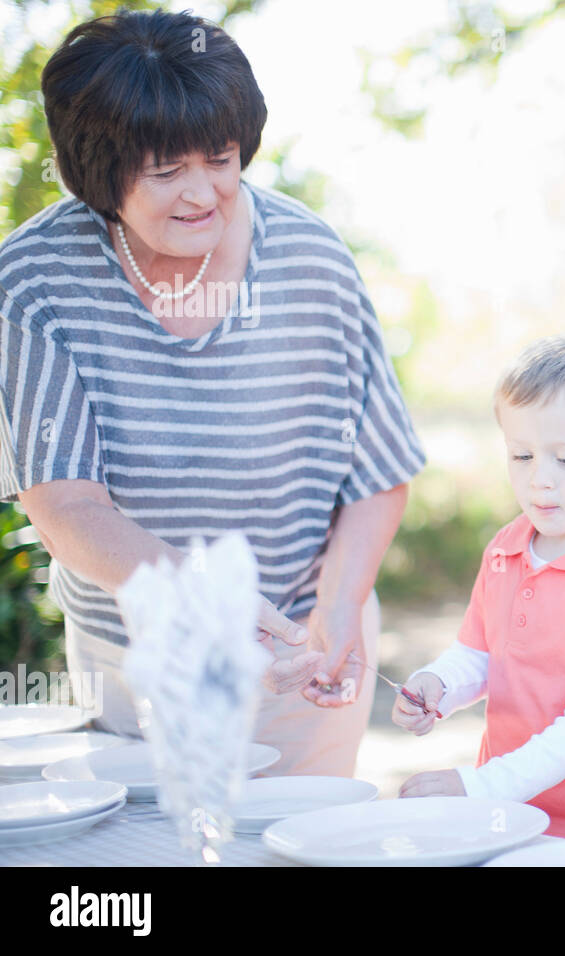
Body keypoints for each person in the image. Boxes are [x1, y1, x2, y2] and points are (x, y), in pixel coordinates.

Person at [0, 9, 426, 776]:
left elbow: (378, 469)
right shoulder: (37, 279)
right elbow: (67, 509)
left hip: (303, 656)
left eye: (222, 159)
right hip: (135, 666)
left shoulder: (311, 260)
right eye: (165, 172)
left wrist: (337, 609)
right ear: (98, 173)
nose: (202, 193)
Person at [392, 328, 565, 839]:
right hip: (507, 816)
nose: (540, 479)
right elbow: (479, 657)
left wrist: (479, 786)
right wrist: (439, 685)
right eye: (521, 456)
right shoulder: (507, 546)